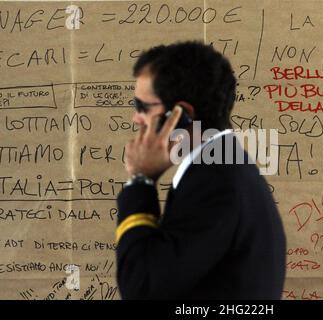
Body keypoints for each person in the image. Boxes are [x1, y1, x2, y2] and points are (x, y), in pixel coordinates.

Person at [115, 41, 286, 299]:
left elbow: (142, 286)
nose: (136, 118)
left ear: (181, 114)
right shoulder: (224, 167)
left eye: (143, 107)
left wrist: (141, 180)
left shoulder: (214, 183)